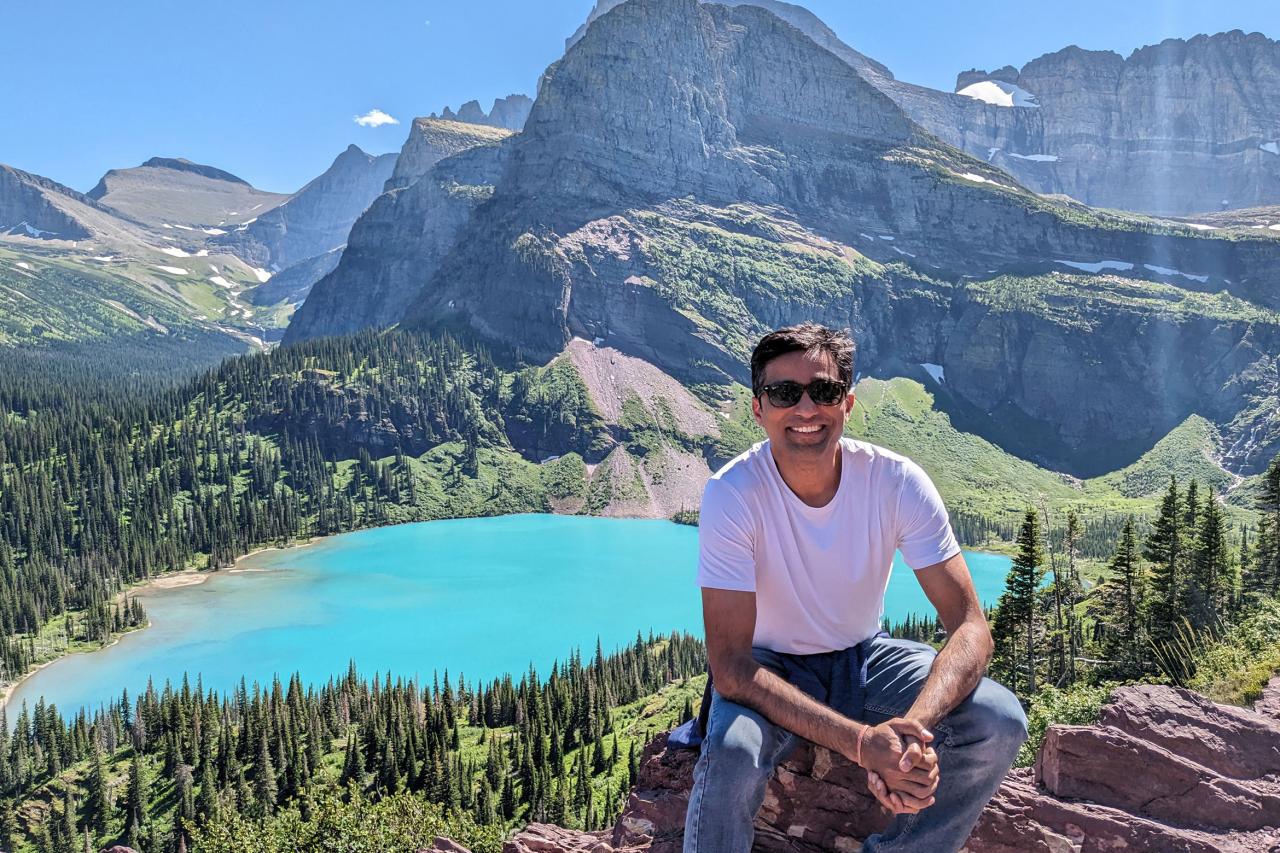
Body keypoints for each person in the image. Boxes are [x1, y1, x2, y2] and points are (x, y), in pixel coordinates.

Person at [683, 323, 1027, 853]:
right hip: (765, 666)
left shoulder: (897, 481)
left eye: (823, 392)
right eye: (783, 393)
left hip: (864, 658)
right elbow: (730, 667)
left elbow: (970, 627)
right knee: (732, 752)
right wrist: (865, 745)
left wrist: (909, 734)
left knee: (999, 719)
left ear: (847, 404)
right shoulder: (732, 493)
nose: (805, 409)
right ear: (757, 408)